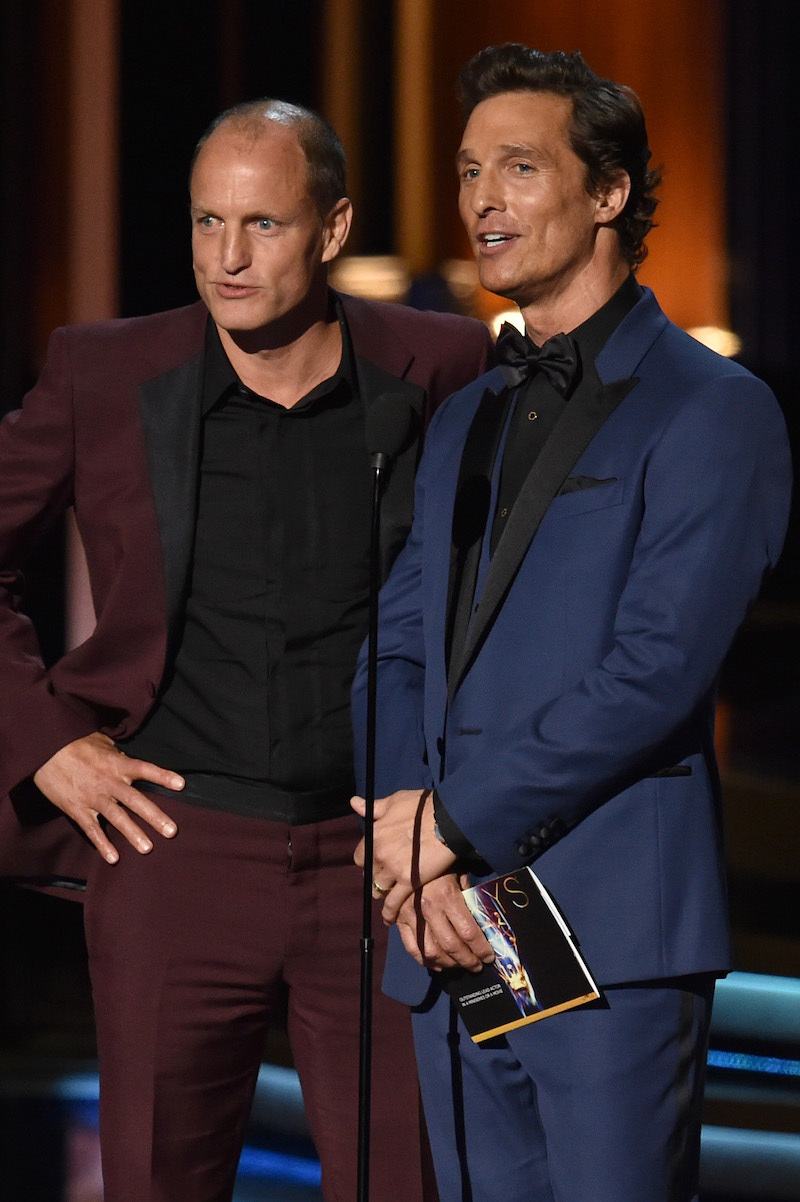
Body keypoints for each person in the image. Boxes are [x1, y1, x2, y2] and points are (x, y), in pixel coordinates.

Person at [0, 98, 493, 1202]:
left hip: (381, 858)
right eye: (205, 222)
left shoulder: (445, 364)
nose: (226, 257)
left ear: (331, 227)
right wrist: (47, 743)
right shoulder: (105, 371)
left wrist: (464, 808)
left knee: (405, 1181)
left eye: (261, 225)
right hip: (173, 846)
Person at [351, 44, 792, 1202]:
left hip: (606, 937)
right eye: (466, 170)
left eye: (517, 168)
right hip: (447, 930)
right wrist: (413, 865)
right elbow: (395, 646)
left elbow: (652, 672)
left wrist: (446, 823)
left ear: (608, 193)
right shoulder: (462, 419)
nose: (481, 200)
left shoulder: (713, 411)